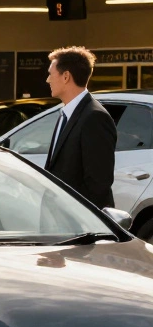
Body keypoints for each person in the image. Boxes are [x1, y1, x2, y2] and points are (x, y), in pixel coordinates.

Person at [44, 46, 116, 209]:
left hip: (80, 224)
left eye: (50, 74)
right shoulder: (68, 114)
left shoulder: (94, 117)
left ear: (66, 76)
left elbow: (98, 185)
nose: (47, 80)